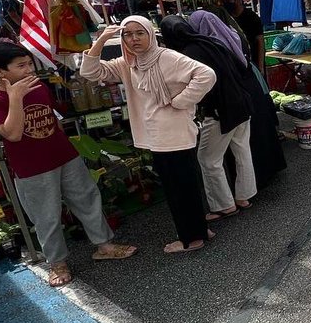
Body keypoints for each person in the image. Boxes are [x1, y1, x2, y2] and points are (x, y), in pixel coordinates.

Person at [0, 42, 136, 286]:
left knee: (87, 199)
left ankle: (104, 246)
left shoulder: (38, 85)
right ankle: (57, 262)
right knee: (46, 216)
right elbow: (13, 134)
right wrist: (15, 97)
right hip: (31, 167)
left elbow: (52, 118)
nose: (29, 69)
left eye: (30, 63)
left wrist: (66, 144)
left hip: (64, 155)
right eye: (21, 66)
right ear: (0, 72)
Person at [81, 17, 217, 254]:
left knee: (179, 189)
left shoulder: (167, 57)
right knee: (184, 186)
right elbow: (90, 72)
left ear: (150, 35)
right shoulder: (129, 63)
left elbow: (206, 74)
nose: (133, 39)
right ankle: (199, 230)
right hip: (159, 136)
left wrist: (180, 101)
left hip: (174, 133)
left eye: (140, 33)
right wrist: (102, 39)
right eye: (127, 34)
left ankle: (190, 239)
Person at [160, 16, 256, 221]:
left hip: (221, 111)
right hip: (242, 103)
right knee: (242, 149)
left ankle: (224, 206)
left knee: (208, 159)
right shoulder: (211, 42)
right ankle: (244, 196)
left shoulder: (187, 55)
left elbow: (201, 87)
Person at [188, 9, 286, 187]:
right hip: (252, 86)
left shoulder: (210, 46)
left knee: (245, 142)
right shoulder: (232, 34)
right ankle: (267, 171)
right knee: (258, 132)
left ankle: (252, 182)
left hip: (235, 92)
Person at [217, 0, 265, 68]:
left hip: (253, 62)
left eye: (227, 1)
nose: (224, 4)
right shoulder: (225, 18)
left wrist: (260, 66)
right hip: (236, 65)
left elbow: (260, 42)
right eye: (221, 2)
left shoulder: (251, 17)